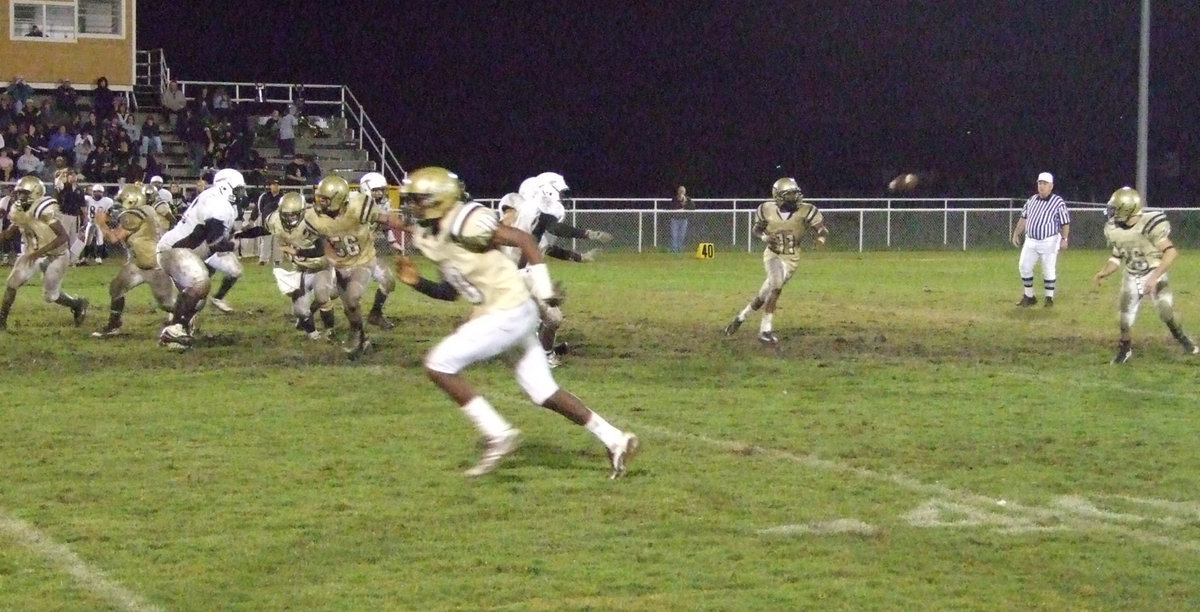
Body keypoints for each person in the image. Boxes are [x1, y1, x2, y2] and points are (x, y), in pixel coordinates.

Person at [381, 166, 639, 478]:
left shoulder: (464, 219)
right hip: (505, 311)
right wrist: (416, 282)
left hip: (507, 310)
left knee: (438, 364)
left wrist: (545, 291)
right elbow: (451, 293)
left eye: (418, 200)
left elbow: (524, 240)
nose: (412, 207)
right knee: (543, 392)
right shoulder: (430, 236)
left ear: (439, 200)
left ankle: (498, 434)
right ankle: (615, 439)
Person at [1093, 187, 1198, 364]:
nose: (1112, 213)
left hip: (1153, 272)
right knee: (1123, 318)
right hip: (1132, 276)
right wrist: (1104, 272)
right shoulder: (1115, 229)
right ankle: (1125, 349)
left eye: (1115, 209)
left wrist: (1154, 277)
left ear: (1127, 209)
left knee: (1165, 311)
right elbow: (1116, 257)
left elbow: (1171, 252)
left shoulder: (1149, 225)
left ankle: (1181, 338)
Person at [723, 177, 828, 344]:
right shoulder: (766, 209)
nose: (794, 198)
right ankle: (765, 330)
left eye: (795, 194)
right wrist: (765, 237)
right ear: (778, 196)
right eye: (789, 195)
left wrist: (821, 238)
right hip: (773, 255)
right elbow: (756, 229)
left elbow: (822, 229)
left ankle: (740, 318)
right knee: (777, 286)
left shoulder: (807, 210)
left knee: (762, 297)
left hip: (792, 260)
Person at [155, 168, 243, 348]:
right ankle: (174, 330)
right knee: (200, 284)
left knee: (197, 300)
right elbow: (214, 243)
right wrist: (233, 245)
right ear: (226, 187)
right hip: (174, 250)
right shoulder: (217, 203)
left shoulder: (218, 200)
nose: (241, 194)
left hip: (189, 252)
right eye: (238, 189)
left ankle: (178, 329)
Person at [234, 192, 337, 339]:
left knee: (323, 296)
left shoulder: (314, 220)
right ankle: (313, 335)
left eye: (293, 215)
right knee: (300, 311)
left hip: (321, 265)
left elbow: (322, 250)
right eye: (286, 215)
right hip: (300, 268)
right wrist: (241, 234)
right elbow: (264, 230)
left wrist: (295, 251)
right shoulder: (274, 220)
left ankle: (329, 331)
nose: (289, 219)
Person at [301, 176, 380, 360]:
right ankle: (361, 336)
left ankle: (357, 335)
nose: (319, 201)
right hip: (341, 264)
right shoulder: (315, 217)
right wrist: (328, 256)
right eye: (319, 197)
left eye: (325, 198)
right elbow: (319, 239)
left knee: (352, 299)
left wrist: (412, 230)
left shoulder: (358, 206)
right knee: (349, 307)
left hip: (362, 261)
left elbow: (385, 219)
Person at [0, 175, 89, 330]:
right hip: (32, 253)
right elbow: (10, 233)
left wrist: (38, 253)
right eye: (19, 193)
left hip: (56, 255)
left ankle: (77, 303)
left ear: (35, 193)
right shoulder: (18, 209)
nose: (20, 197)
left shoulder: (45, 207)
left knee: (50, 296)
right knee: (12, 283)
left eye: (24, 193)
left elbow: (63, 237)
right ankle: (1, 320)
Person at [91, 183, 177, 337]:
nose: (119, 204)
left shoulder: (135, 215)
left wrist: (101, 224)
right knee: (116, 289)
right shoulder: (148, 209)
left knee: (167, 304)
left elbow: (113, 238)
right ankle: (114, 325)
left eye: (122, 200)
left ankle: (187, 318)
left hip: (153, 265)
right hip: (139, 263)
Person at [1011, 172, 1070, 307]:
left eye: (1045, 184)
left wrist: (1064, 239)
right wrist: (1016, 233)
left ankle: (1049, 298)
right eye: (1040, 183)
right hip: (1031, 240)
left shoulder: (1058, 202)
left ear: (1051, 186)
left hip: (1049, 240)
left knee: (1048, 269)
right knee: (1024, 266)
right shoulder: (1031, 200)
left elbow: (1065, 222)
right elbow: (1023, 218)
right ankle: (1029, 296)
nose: (1041, 186)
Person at [250, 178, 284, 265]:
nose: (275, 187)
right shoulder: (264, 196)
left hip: (279, 223)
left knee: (278, 241)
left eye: (277, 185)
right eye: (273, 185)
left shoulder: (283, 197)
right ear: (270, 186)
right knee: (265, 241)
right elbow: (259, 209)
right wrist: (254, 218)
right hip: (266, 222)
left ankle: (278, 260)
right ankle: (263, 259)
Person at [55, 170, 86, 264]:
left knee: (75, 239)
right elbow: (57, 184)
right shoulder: (64, 187)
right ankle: (62, 258)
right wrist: (61, 174)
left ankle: (74, 260)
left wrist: (85, 216)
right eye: (71, 175)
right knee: (64, 237)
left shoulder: (79, 189)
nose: (73, 177)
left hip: (75, 216)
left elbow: (82, 205)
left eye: (74, 175)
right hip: (65, 215)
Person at [83, 183, 114, 264]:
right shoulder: (87, 199)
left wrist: (108, 214)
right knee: (87, 240)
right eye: (96, 192)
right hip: (91, 221)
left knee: (100, 240)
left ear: (102, 193)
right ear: (93, 192)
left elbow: (109, 211)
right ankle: (86, 256)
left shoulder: (107, 201)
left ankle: (99, 257)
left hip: (100, 223)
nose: (98, 193)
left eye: (100, 192)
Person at [669, 185, 694, 253]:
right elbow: (671, 207)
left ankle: (680, 248)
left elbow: (693, 207)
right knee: (674, 235)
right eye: (680, 191)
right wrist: (680, 205)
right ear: (678, 191)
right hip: (675, 219)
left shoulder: (687, 199)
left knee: (682, 235)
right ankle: (674, 250)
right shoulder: (674, 199)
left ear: (685, 192)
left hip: (684, 219)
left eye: (682, 191)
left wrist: (685, 204)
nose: (681, 192)